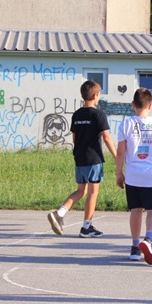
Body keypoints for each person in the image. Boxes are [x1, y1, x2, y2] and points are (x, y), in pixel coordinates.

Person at [47, 80, 117, 238]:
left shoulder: (77, 114)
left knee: (81, 190)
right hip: (94, 159)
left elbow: (74, 137)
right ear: (95, 95)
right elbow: (106, 137)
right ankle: (87, 227)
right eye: (99, 94)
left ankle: (60, 213)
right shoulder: (99, 114)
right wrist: (116, 155)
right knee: (92, 193)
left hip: (79, 157)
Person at [115, 88, 152, 265]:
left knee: (136, 209)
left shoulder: (125, 124)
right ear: (150, 105)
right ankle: (148, 240)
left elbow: (120, 152)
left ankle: (134, 247)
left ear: (133, 104)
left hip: (133, 175)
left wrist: (119, 173)